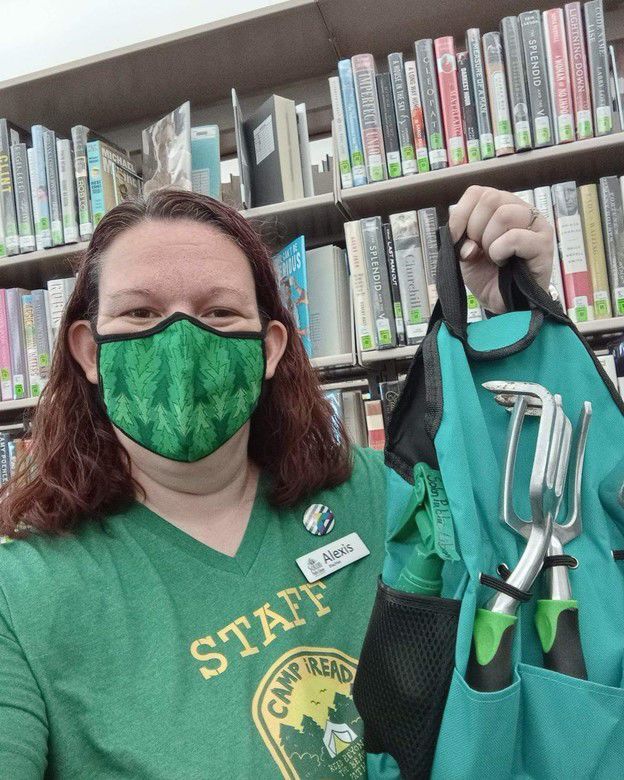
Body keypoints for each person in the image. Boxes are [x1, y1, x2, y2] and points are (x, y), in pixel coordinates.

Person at [0, 185, 552, 778]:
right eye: (141, 313)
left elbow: (542, 541)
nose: (182, 342)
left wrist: (518, 325)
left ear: (269, 348)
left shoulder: (385, 494)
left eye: (218, 312)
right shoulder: (23, 592)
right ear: (88, 351)